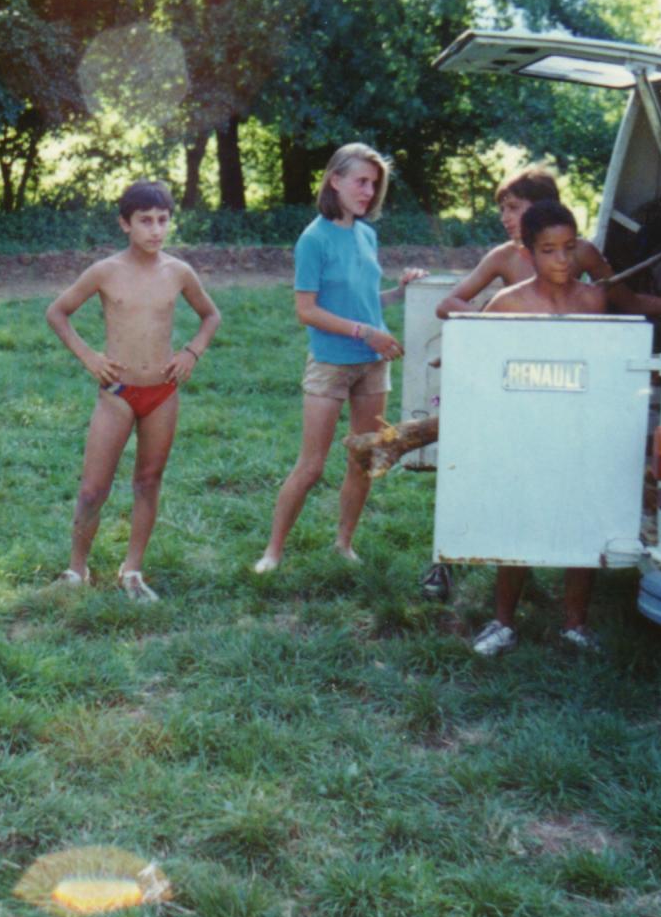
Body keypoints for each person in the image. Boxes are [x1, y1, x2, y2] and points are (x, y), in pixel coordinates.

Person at [253, 144, 427, 573]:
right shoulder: (313, 239)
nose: (368, 191)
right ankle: (272, 552)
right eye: (360, 181)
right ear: (335, 180)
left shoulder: (366, 234)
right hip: (331, 362)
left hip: (373, 363)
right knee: (311, 466)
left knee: (363, 459)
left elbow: (363, 300)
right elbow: (307, 310)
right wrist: (365, 332)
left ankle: (344, 545)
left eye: (374, 184)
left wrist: (402, 291)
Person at [45, 181, 221, 601]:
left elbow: (211, 315)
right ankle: (77, 569)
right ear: (125, 224)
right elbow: (57, 312)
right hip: (117, 393)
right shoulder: (105, 271)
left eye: (162, 220)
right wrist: (89, 357)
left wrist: (191, 352)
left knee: (147, 481)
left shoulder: (178, 272)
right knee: (92, 489)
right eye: (145, 221)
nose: (156, 230)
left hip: (162, 393)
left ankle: (133, 571)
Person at [469, 201, 605, 656]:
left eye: (570, 247)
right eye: (549, 250)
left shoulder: (592, 301)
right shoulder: (507, 304)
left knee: (582, 521)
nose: (562, 260)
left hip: (579, 430)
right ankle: (503, 622)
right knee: (519, 520)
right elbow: (483, 371)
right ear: (528, 253)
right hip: (523, 432)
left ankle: (575, 624)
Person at [435, 165, 661, 320]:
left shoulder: (582, 251)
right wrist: (489, 320)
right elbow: (447, 304)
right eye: (502, 209)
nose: (504, 218)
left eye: (513, 208)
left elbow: (629, 302)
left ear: (543, 207)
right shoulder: (504, 256)